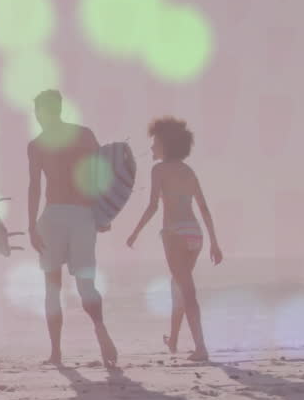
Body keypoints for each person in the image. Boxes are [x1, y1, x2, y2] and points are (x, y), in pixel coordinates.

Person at [26, 89, 118, 368]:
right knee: (85, 284)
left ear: (42, 112)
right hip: (83, 215)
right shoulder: (84, 135)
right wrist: (104, 212)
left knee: (52, 287)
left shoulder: (37, 144)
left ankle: (56, 353)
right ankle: (100, 329)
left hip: (53, 216)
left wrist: (31, 225)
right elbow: (102, 173)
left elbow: (34, 187)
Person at [126, 116, 223, 362]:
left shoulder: (158, 170)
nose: (151, 148)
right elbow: (203, 207)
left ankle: (201, 347)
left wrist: (135, 232)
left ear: (166, 144)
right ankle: (174, 339)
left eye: (155, 142)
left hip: (175, 235)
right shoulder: (188, 171)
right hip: (195, 234)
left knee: (187, 290)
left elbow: (152, 207)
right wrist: (213, 242)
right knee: (179, 285)